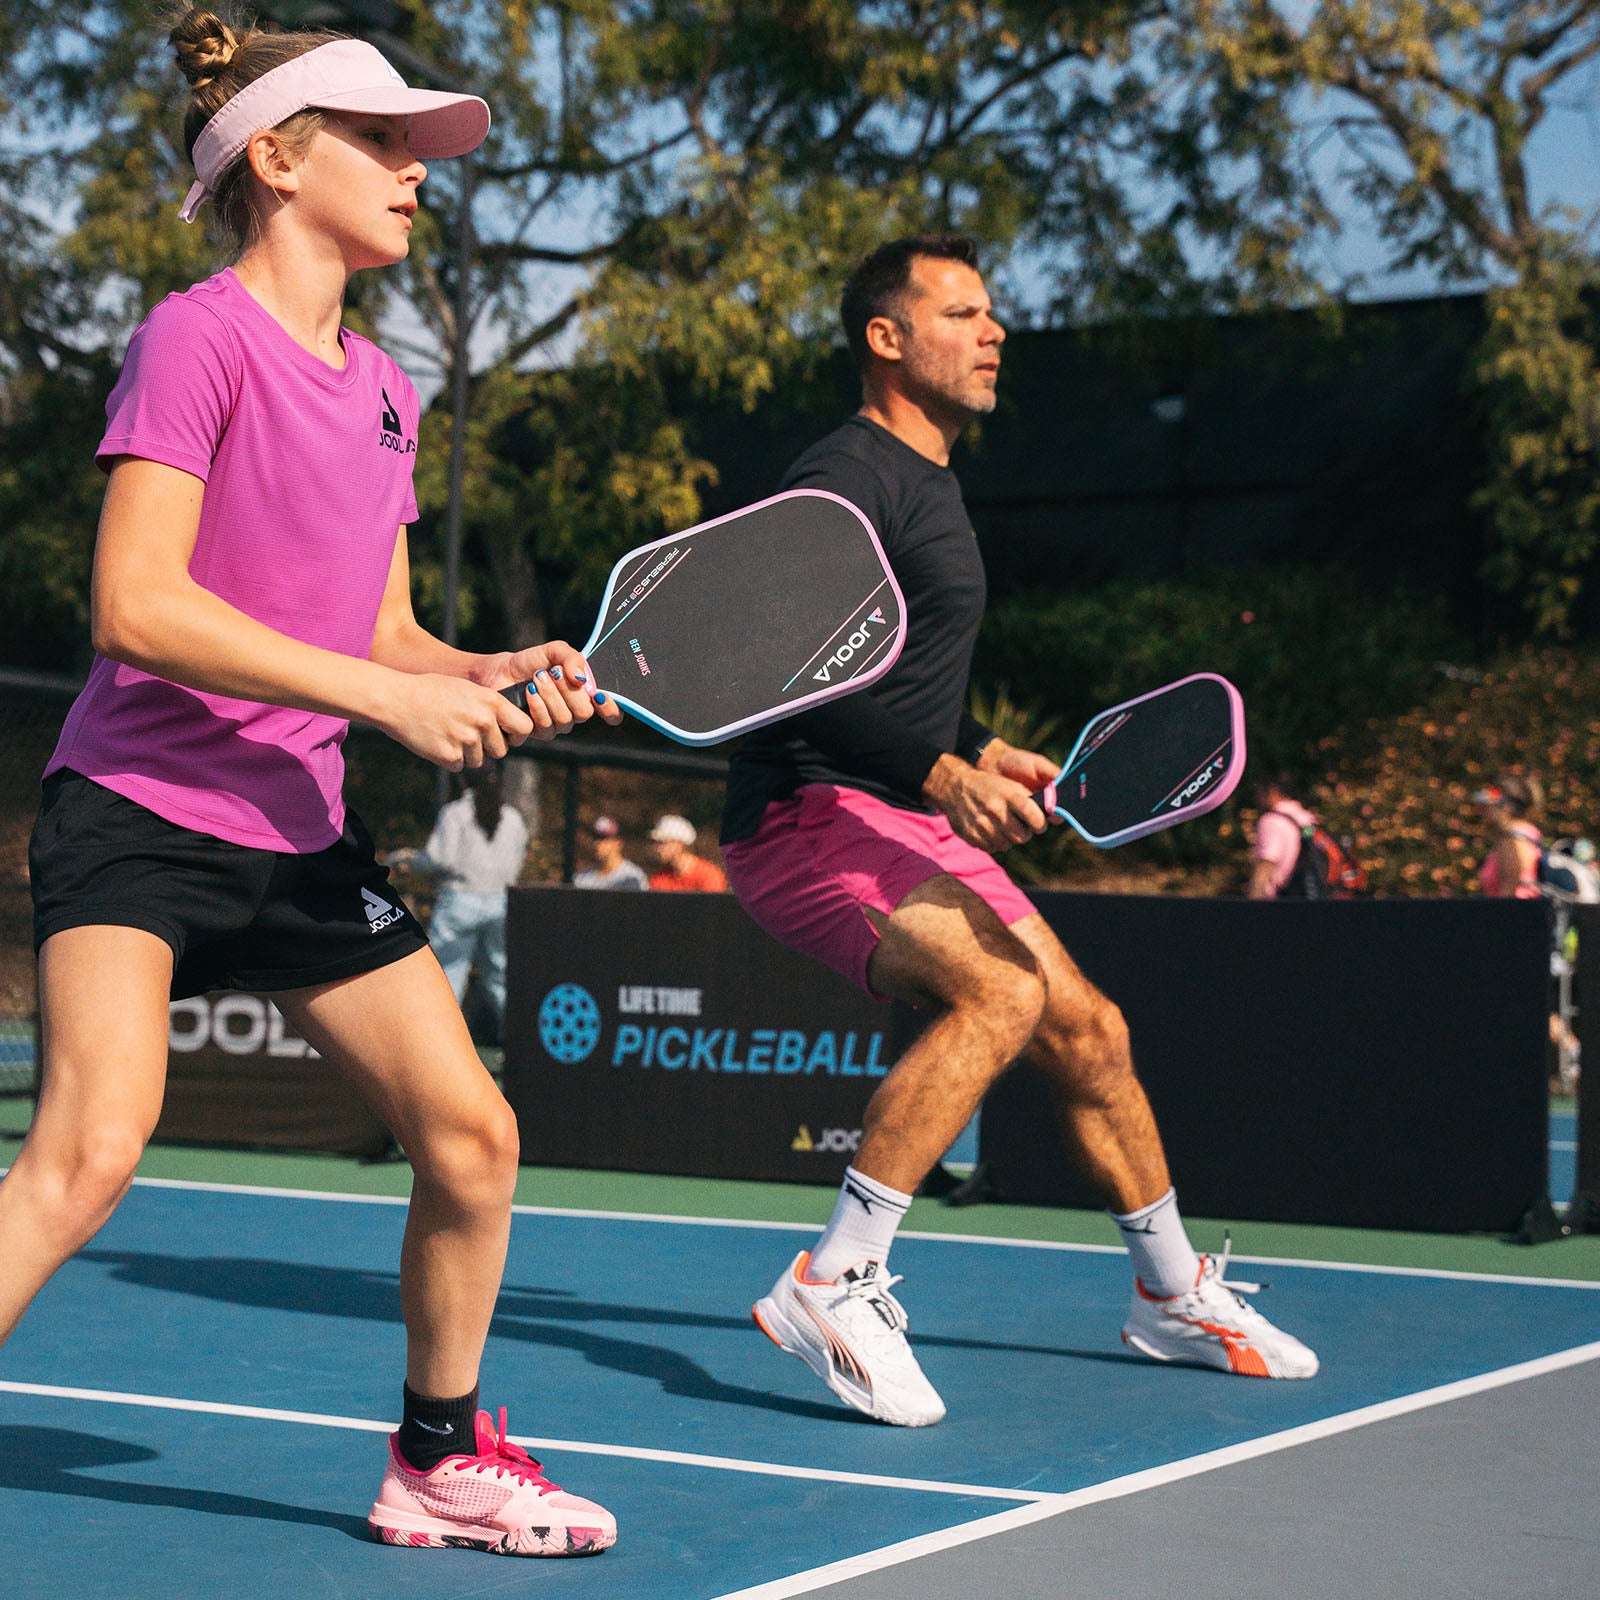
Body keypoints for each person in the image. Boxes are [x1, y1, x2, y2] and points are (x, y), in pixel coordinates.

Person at [0, 13, 622, 1558]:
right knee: (89, 1146)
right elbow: (136, 606)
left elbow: (383, 628)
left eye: (420, 146)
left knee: (474, 1140)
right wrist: (385, 698)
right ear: (279, 157)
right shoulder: (194, 334)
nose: (421, 172)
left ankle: (434, 1460)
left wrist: (481, 672)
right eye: (387, 140)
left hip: (300, 833)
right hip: (138, 812)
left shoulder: (389, 390)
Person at [722, 234, 1316, 1427]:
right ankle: (831, 1280)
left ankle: (1168, 1293)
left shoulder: (929, 476)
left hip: (889, 799)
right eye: (963, 312)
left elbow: (887, 668)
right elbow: (778, 672)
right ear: (885, 338)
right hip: (803, 814)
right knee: (1000, 994)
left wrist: (976, 743)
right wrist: (937, 769)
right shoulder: (842, 479)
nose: (995, 332)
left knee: (1089, 1025)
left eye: (994, 313)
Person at [392, 763, 527, 1032]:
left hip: (460, 902)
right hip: (500, 902)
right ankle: (518, 1043)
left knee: (448, 976)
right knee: (500, 976)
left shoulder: (456, 813)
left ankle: (438, 1041)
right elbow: (518, 861)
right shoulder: (513, 817)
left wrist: (408, 861)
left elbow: (440, 858)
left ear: (464, 782)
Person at [1474, 777, 1544, 899]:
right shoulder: (1529, 833)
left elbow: (1508, 892)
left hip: (1513, 915)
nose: (1487, 807)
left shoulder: (1511, 838)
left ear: (1508, 806)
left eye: (1493, 798)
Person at [1249, 774, 1317, 899]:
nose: (1256, 797)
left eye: (1259, 792)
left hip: (1280, 901)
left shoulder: (1271, 820)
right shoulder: (1306, 818)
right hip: (1311, 897)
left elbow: (1267, 863)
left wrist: (1252, 906)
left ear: (1272, 791)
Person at [647, 813, 727, 892]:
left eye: (663, 843)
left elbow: (714, 903)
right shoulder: (659, 879)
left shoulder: (708, 876)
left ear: (680, 844)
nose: (657, 848)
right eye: (656, 842)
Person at [573, 815, 649, 890]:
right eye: (595, 838)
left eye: (603, 838)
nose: (596, 843)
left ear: (618, 843)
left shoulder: (632, 877)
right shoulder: (581, 879)